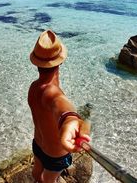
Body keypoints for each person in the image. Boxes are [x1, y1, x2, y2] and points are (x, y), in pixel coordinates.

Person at [28, 29, 91, 183]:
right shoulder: (52, 92)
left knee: (37, 172)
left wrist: (67, 118)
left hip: (37, 144)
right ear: (60, 61)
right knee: (48, 181)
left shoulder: (33, 87)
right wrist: (70, 119)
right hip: (55, 155)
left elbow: (52, 106)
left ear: (37, 63)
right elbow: (59, 103)